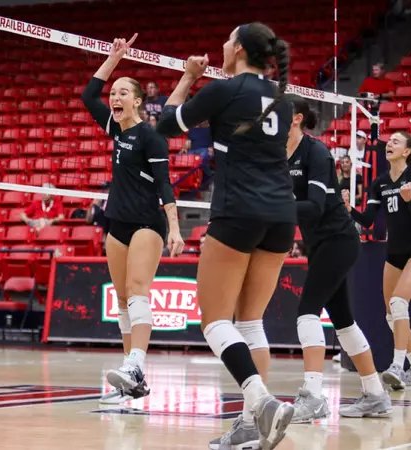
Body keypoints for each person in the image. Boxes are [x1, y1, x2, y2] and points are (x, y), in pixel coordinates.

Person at [157, 23, 296, 450]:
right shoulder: (282, 98)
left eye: (226, 39)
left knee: (215, 321)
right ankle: (252, 423)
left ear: (236, 49)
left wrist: (188, 78)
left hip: (239, 211)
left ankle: (262, 402)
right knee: (250, 322)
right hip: (281, 215)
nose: (221, 44)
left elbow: (165, 124)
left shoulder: (226, 89)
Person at [81, 35, 184, 405]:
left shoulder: (151, 138)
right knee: (123, 299)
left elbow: (165, 185)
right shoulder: (116, 130)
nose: (115, 97)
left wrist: (175, 228)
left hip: (147, 224)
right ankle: (131, 380)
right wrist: (114, 58)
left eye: (123, 92)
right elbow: (88, 96)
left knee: (138, 289)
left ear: (138, 101)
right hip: (118, 223)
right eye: (114, 93)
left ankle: (136, 365)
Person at [285, 94, 392, 422]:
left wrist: (272, 207)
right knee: (343, 321)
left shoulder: (316, 152)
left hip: (339, 240)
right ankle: (375, 394)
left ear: (297, 118)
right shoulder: (276, 156)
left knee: (306, 312)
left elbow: (315, 206)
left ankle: (313, 397)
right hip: (319, 244)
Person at [344, 131, 411, 390]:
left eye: (396, 141)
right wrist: (349, 210)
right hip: (394, 252)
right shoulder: (380, 182)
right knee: (392, 315)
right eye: (389, 141)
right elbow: (368, 220)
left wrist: (409, 199)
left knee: (399, 302)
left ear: (407, 151)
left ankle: (397, 366)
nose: (389, 143)